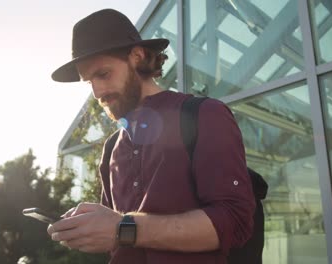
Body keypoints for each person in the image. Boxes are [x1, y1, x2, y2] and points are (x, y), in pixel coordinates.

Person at [47, 9, 256, 264]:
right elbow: (116, 241)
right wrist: (90, 227)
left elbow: (235, 222)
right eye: (89, 81)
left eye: (103, 74)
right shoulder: (111, 147)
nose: (97, 91)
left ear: (137, 57)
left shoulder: (204, 114)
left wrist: (124, 229)